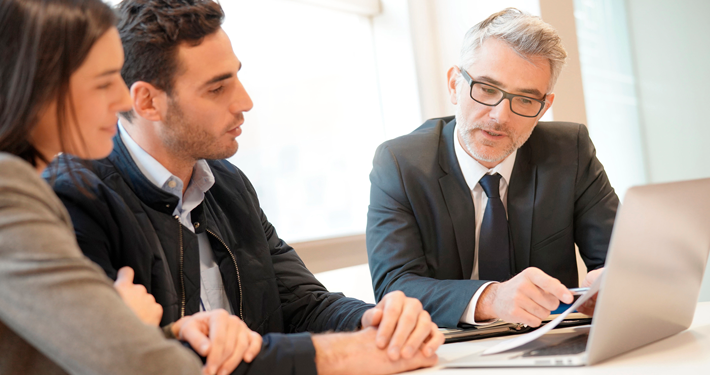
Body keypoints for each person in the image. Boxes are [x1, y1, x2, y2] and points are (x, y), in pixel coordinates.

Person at [47, 0, 444, 374]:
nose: (246, 101)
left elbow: (303, 304)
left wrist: (375, 322)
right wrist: (340, 356)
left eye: (237, 76)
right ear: (148, 102)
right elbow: (146, 359)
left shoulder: (227, 182)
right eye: (217, 88)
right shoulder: (75, 198)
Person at [0, 0, 268, 374]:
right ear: (36, 87)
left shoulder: (228, 182)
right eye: (104, 80)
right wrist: (130, 327)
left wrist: (162, 333)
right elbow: (132, 364)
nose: (121, 100)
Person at [366, 8, 617, 329]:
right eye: (486, 89)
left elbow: (620, 260)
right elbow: (394, 287)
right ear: (455, 84)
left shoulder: (571, 151)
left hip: (552, 340)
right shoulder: (400, 163)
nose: (500, 116)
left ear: (544, 107)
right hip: (448, 349)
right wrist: (491, 298)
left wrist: (611, 282)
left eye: (525, 100)